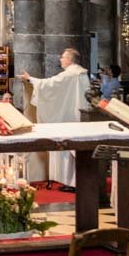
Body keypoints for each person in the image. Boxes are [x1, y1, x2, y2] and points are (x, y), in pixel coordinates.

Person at [19, 47, 91, 192]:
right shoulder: (81, 73)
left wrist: (30, 79)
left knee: (70, 150)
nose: (60, 59)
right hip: (79, 115)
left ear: (69, 59)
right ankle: (75, 181)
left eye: (63, 57)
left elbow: (50, 84)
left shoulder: (70, 74)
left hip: (69, 118)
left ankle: (74, 182)